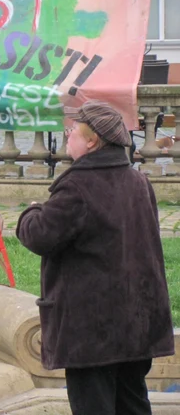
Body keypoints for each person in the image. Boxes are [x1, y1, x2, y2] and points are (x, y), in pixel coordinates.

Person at [16, 101, 175, 415]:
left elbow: (39, 236)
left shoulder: (77, 187)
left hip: (91, 332)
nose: (67, 134)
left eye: (73, 129)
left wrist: (32, 209)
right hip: (136, 324)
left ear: (91, 141)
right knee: (133, 404)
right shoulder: (138, 182)